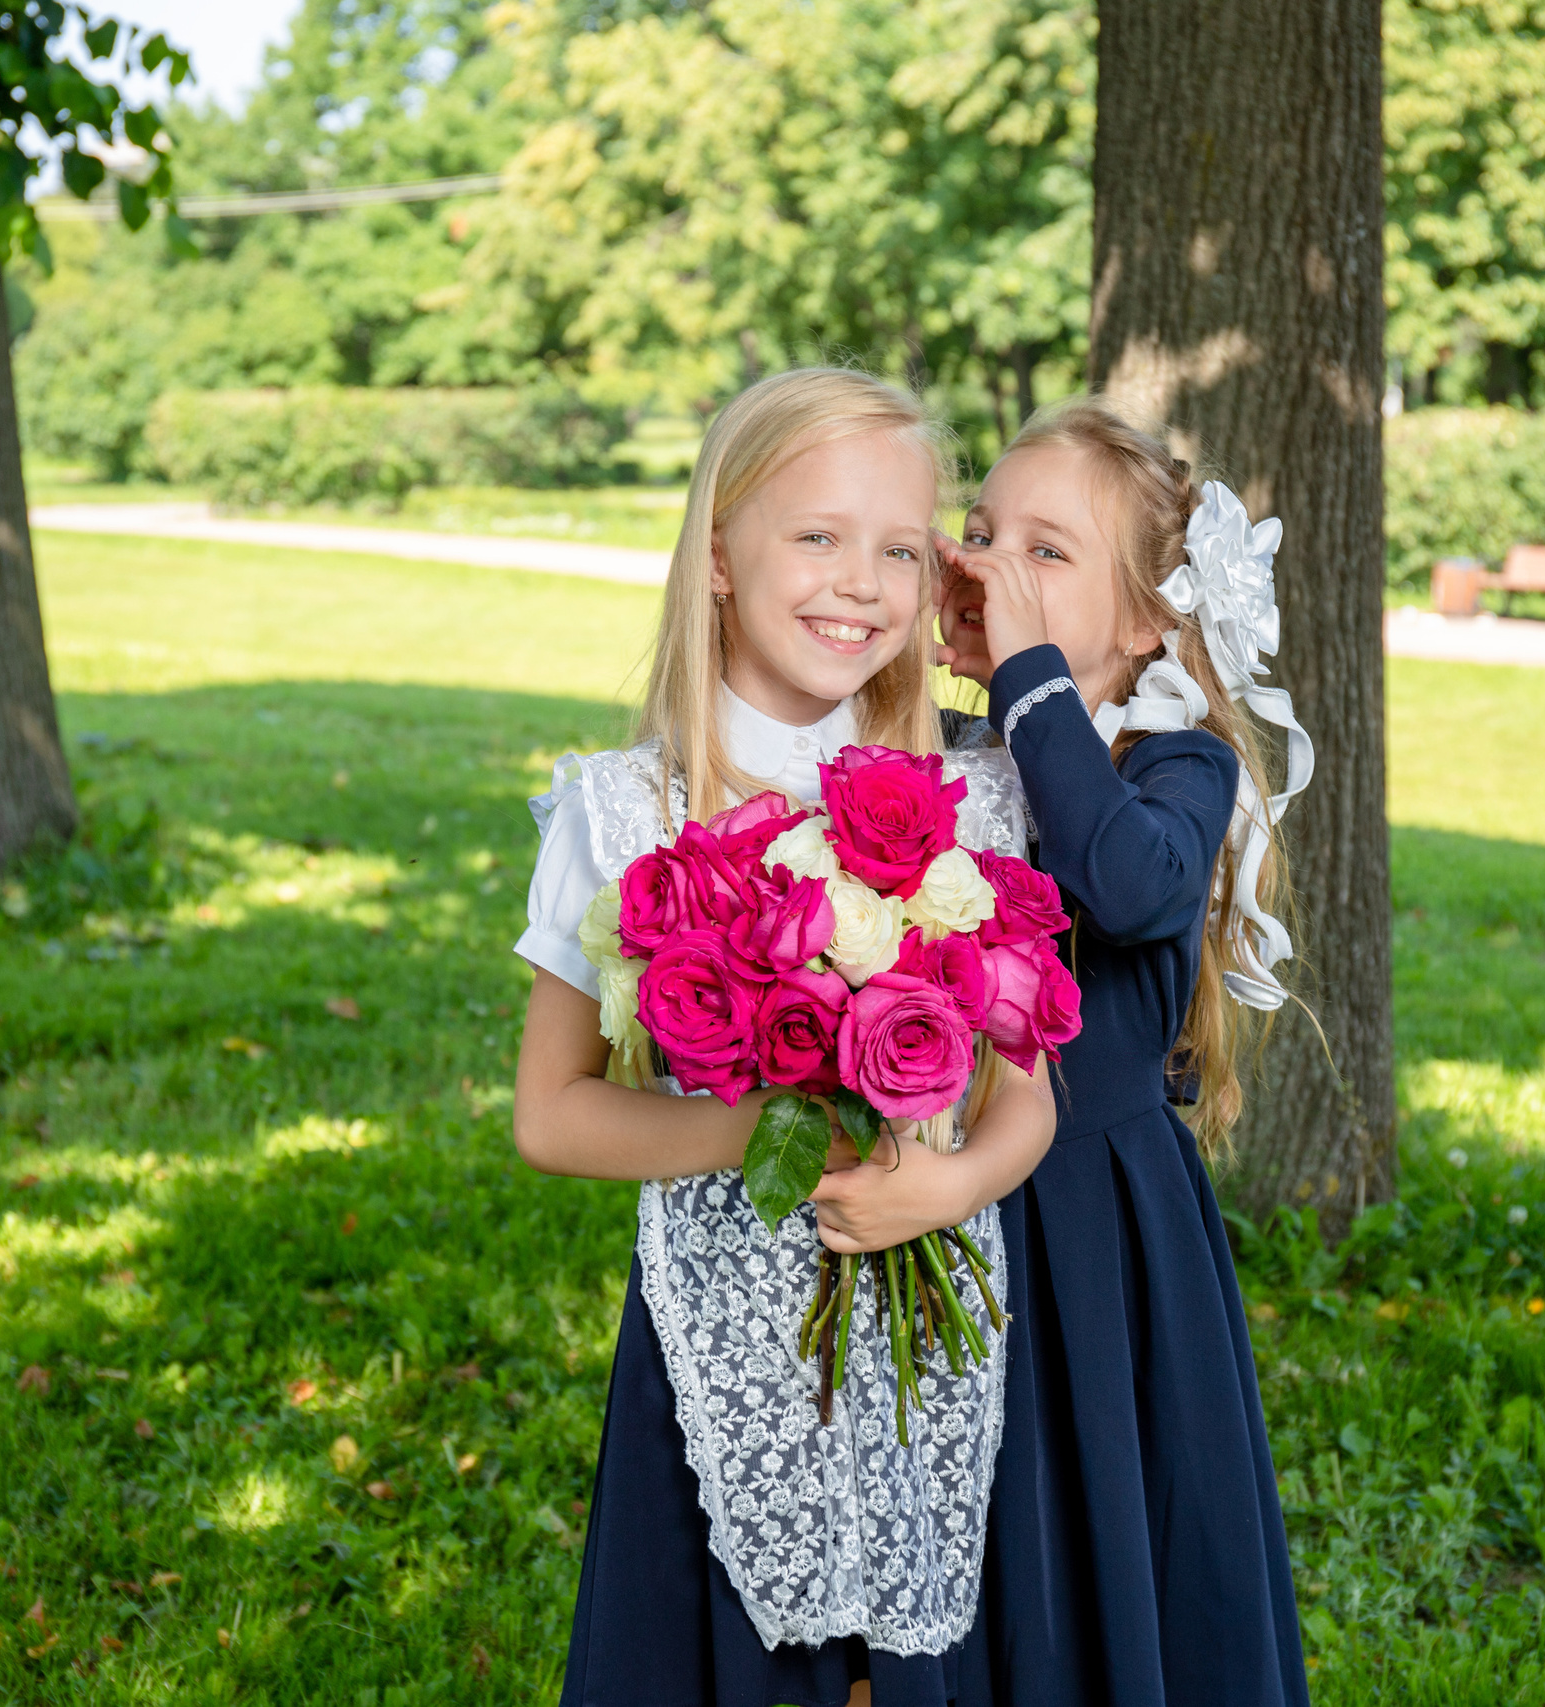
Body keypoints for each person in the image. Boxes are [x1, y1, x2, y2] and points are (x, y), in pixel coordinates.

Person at [511, 367, 1058, 1707]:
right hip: (722, 1364)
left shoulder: (974, 798)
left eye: (898, 551)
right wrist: (768, 1133)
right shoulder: (623, 810)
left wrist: (951, 1178)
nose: (857, 584)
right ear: (715, 556)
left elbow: (1024, 1099)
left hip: (942, 1353)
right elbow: (552, 1113)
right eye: (816, 536)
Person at [935, 396, 1316, 1706]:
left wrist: (1030, 684)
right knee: (981, 1521)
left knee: (1107, 1493)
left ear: (1148, 619)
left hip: (1098, 1220)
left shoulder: (1175, 764)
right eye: (983, 535)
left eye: (1048, 552)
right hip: (949, 1200)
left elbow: (1129, 884)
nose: (995, 569)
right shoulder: (940, 759)